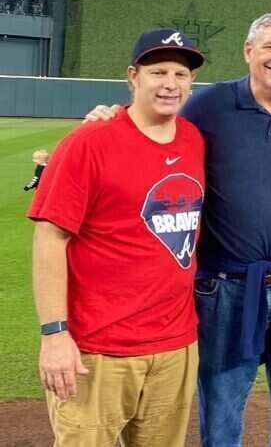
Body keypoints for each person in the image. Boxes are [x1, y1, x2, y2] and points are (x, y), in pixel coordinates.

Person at [84, 14, 271, 447]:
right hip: (225, 284)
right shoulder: (209, 105)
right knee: (221, 416)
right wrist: (110, 116)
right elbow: (150, 124)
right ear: (248, 51)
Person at [28, 29, 206, 447]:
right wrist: (54, 335)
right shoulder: (89, 143)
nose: (170, 84)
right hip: (98, 349)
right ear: (133, 76)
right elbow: (49, 237)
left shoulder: (194, 140)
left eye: (180, 74)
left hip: (176, 346)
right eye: (158, 72)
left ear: (191, 82)